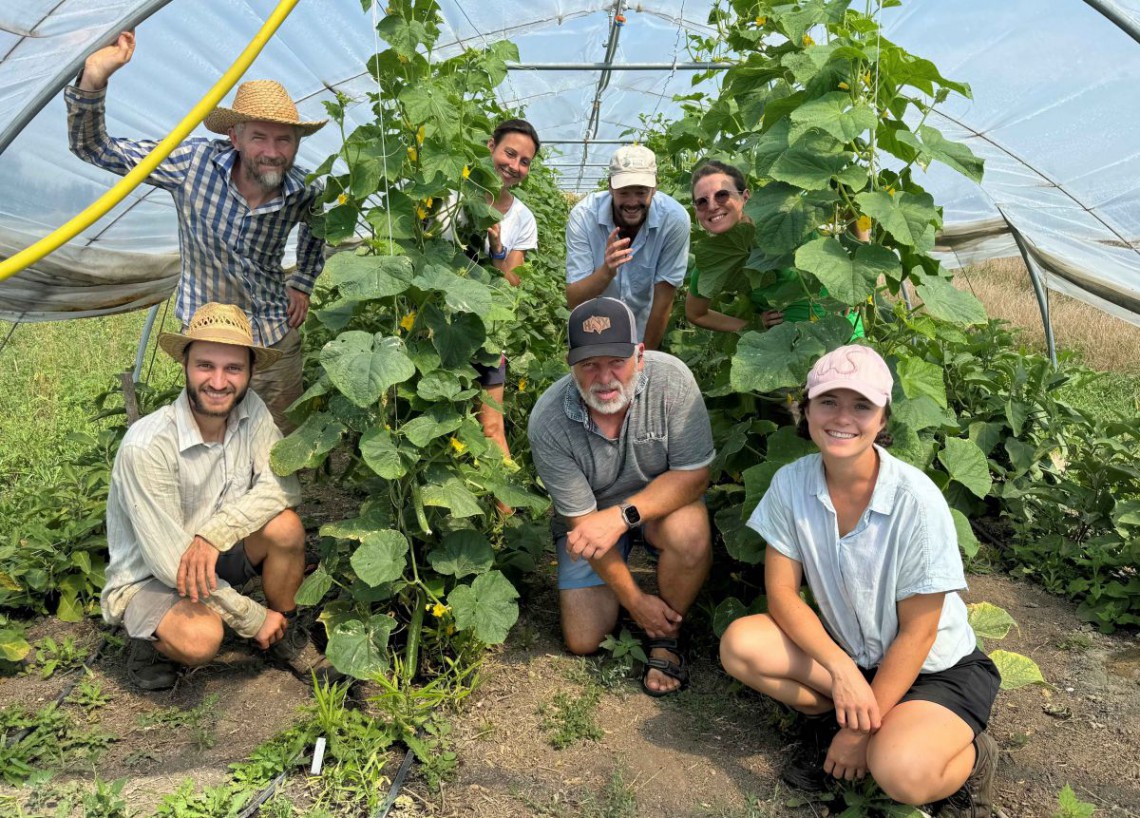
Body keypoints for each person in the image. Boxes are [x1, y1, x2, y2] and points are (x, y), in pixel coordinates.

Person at [719, 345, 1000, 817]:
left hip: (932, 669)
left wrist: (860, 734)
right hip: (852, 653)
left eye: (861, 405)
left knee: (901, 773)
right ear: (804, 410)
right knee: (740, 644)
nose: (842, 417)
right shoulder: (791, 483)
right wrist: (842, 671)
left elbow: (919, 632)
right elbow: (783, 594)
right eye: (828, 402)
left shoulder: (916, 501)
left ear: (883, 419)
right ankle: (837, 719)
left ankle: (971, 758)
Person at [66, 31, 327, 431]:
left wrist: (304, 282)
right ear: (234, 136)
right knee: (211, 441)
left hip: (274, 333)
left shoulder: (303, 189)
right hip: (210, 339)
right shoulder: (192, 166)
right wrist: (95, 79)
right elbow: (95, 148)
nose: (273, 151)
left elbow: (319, 227)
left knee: (281, 441)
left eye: (284, 139)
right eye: (259, 136)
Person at [102, 303, 335, 691]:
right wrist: (249, 615)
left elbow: (283, 487)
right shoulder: (147, 446)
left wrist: (215, 534)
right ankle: (150, 643)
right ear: (186, 367)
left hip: (214, 551)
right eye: (206, 365)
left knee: (286, 528)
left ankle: (285, 629)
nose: (218, 381)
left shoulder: (252, 410)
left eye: (233, 368)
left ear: (249, 373)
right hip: (153, 575)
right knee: (202, 638)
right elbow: (169, 563)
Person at [527, 297, 714, 696]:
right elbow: (582, 522)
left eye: (616, 361)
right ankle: (648, 610)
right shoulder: (548, 420)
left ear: (640, 355)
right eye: (589, 364)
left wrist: (622, 516)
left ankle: (666, 640)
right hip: (589, 520)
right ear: (570, 364)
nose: (604, 377)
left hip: (656, 506)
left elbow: (695, 476)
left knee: (691, 531)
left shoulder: (674, 382)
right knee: (584, 640)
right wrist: (635, 602)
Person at [440, 120, 541, 505]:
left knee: (491, 426)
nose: (514, 165)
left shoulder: (522, 218)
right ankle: (452, 513)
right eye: (509, 153)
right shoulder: (450, 198)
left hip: (484, 330)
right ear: (491, 147)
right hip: (438, 323)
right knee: (440, 421)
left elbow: (510, 283)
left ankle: (504, 519)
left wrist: (497, 247)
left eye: (525, 161)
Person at [685, 160, 863, 338]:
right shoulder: (713, 256)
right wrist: (751, 325)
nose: (712, 206)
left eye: (722, 195)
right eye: (701, 201)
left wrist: (854, 282)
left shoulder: (785, 215)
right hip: (788, 347)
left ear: (745, 197)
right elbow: (695, 313)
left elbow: (851, 200)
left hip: (842, 330)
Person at [565, 145, 690, 350]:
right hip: (593, 331)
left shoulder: (674, 220)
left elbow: (663, 301)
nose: (632, 202)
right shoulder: (584, 217)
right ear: (610, 187)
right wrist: (606, 272)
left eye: (641, 192)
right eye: (624, 192)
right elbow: (574, 300)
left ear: (655, 188)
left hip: (643, 331)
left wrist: (645, 358)